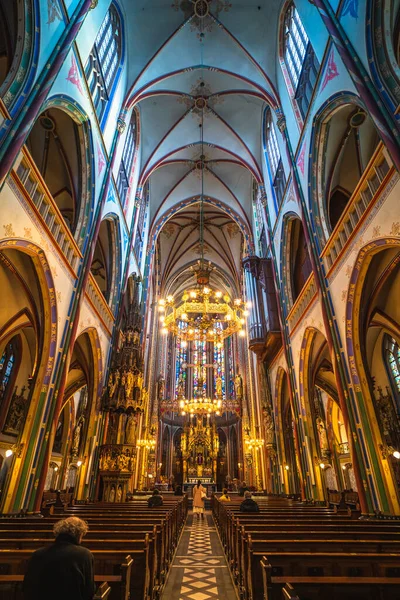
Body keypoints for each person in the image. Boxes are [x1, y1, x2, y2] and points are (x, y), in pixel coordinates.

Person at [23, 516, 95, 600]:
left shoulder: (38, 554)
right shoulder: (84, 554)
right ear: (79, 535)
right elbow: (89, 591)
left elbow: (27, 587)